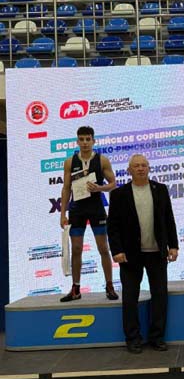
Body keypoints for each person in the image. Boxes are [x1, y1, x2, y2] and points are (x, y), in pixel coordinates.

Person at [107, 154, 179, 353]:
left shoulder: (160, 190)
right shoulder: (119, 194)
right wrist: (117, 250)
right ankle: (133, 338)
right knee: (130, 298)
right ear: (129, 170)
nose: (140, 168)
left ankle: (157, 337)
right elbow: (113, 227)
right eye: (136, 166)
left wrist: (173, 245)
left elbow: (169, 219)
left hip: (157, 252)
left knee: (160, 296)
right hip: (130, 255)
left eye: (143, 165)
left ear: (149, 168)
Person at [59, 126, 118, 302]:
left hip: (96, 208)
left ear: (93, 141)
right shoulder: (70, 162)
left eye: (88, 139)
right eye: (82, 139)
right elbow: (66, 188)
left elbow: (113, 183)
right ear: (77, 141)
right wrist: (62, 213)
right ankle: (76, 288)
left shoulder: (102, 160)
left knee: (103, 248)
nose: (85, 143)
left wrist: (99, 188)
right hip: (77, 209)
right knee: (76, 249)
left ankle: (109, 285)